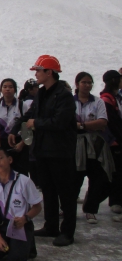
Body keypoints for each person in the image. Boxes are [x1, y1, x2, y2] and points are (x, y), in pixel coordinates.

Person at [10, 55, 77, 247]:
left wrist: (36, 123)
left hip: (60, 152)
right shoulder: (42, 93)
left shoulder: (64, 96)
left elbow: (60, 122)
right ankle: (51, 226)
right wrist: (16, 128)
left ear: (49, 72)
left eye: (38, 71)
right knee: (48, 190)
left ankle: (68, 232)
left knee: (65, 192)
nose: (36, 74)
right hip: (42, 151)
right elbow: (30, 115)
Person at [0, 147, 42, 261]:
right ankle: (10, 243)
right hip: (1, 226)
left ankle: (27, 244)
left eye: (0, 158)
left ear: (9, 160)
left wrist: (25, 218)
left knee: (17, 260)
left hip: (19, 225)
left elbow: (37, 207)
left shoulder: (24, 181)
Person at [72, 72, 110, 225]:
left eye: (90, 82)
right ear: (77, 84)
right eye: (84, 82)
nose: (87, 85)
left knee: (97, 177)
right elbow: (67, 123)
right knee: (74, 178)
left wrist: (81, 125)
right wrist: (89, 125)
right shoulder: (69, 102)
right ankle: (68, 209)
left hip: (94, 145)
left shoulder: (98, 102)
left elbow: (102, 122)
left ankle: (91, 209)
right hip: (74, 145)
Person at [100, 70, 122, 220]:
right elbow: (112, 123)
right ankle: (115, 200)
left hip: (116, 140)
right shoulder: (107, 99)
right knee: (116, 172)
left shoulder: (115, 97)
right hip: (114, 141)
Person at [0, 78, 28, 175]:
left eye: (10, 87)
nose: (7, 89)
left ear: (15, 90)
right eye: (5, 87)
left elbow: (27, 127)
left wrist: (22, 143)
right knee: (4, 172)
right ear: (1, 89)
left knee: (21, 172)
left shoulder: (22, 105)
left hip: (19, 144)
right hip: (2, 143)